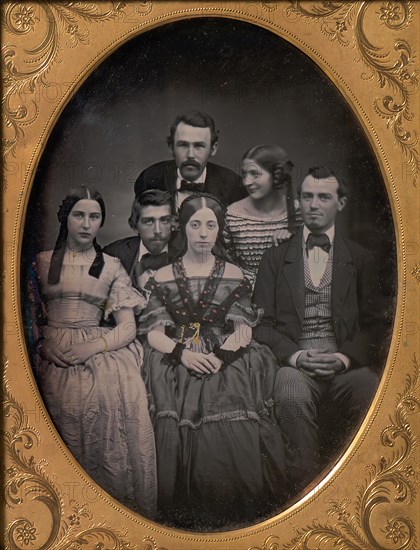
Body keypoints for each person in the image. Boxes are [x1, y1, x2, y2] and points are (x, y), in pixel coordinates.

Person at [137, 193, 286, 530]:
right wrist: (183, 353)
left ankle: (230, 516)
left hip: (226, 354)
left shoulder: (234, 274)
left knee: (229, 396)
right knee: (172, 397)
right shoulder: (161, 277)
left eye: (211, 225)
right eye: (195, 224)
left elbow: (243, 329)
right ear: (182, 228)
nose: (203, 233)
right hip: (176, 355)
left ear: (219, 229)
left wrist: (219, 357)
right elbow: (154, 333)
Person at [26, 186, 157, 517]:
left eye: (94, 217)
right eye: (79, 215)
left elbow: (127, 327)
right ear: (65, 218)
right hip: (49, 343)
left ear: (101, 222)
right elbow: (23, 320)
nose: (86, 224)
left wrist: (92, 347)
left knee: (121, 392)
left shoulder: (110, 267)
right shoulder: (40, 263)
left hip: (97, 344)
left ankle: (112, 510)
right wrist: (41, 344)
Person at [253, 167, 383, 497]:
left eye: (323, 197)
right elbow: (262, 325)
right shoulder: (274, 258)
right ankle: (304, 494)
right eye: (306, 196)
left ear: (340, 203)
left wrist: (342, 358)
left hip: (344, 362)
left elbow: (373, 325)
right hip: (295, 361)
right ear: (298, 202)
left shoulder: (362, 258)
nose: (313, 204)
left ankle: (362, 492)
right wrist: (295, 356)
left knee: (371, 389)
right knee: (289, 391)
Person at [224, 144, 301, 287]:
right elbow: (227, 263)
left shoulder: (299, 212)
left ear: (277, 175)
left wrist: (293, 242)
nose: (246, 181)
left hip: (288, 290)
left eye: (255, 174)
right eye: (244, 174)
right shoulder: (232, 215)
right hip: (244, 294)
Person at [134, 110, 245, 209]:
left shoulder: (233, 186)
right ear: (171, 147)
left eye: (199, 146)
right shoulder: (150, 179)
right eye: (183, 145)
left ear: (213, 148)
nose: (190, 155)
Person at [103, 189, 176, 292]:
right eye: (149, 221)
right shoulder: (113, 253)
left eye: (164, 220)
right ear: (135, 225)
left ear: (173, 224)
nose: (157, 230)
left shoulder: (186, 253)